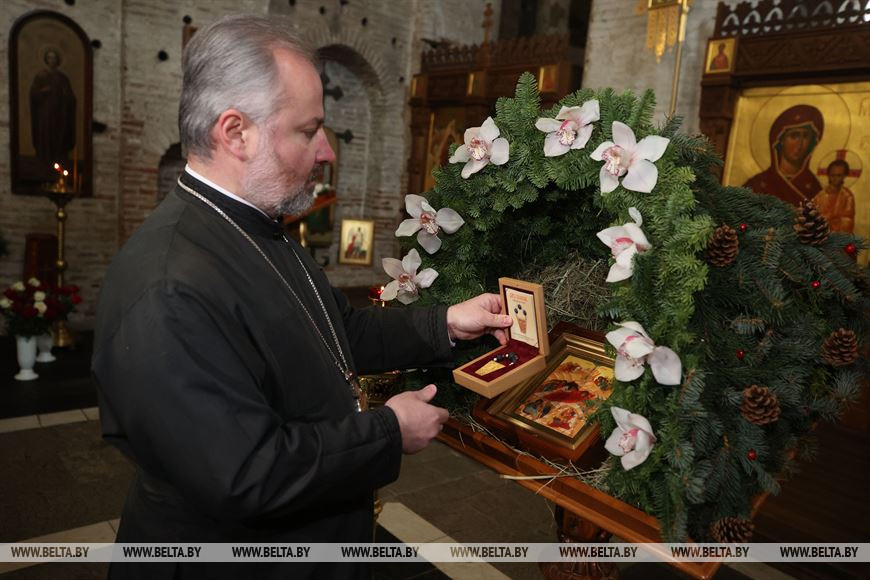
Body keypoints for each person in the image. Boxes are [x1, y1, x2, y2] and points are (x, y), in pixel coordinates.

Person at [92, 15, 512, 580]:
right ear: (235, 132)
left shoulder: (256, 226)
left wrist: (446, 325)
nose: (326, 152)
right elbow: (246, 473)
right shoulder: (170, 285)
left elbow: (336, 334)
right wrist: (389, 431)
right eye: (307, 130)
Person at [744, 104, 824, 206]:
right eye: (794, 136)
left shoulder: (815, 188)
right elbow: (740, 220)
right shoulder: (757, 185)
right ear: (780, 139)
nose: (799, 144)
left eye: (805, 136)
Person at [29, 48, 76, 171]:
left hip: (60, 113)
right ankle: (44, 161)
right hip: (45, 113)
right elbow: (33, 94)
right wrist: (42, 92)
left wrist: (67, 97)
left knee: (58, 135)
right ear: (46, 60)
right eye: (50, 58)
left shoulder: (62, 77)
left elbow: (70, 96)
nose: (52, 60)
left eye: (54, 58)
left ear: (58, 60)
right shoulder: (41, 76)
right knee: (46, 135)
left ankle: (58, 161)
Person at [813, 159, 855, 233]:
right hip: (823, 235)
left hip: (841, 236)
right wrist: (829, 217)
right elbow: (815, 217)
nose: (835, 178)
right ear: (828, 175)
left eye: (839, 175)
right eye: (832, 175)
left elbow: (848, 219)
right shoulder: (820, 196)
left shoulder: (847, 196)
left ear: (844, 176)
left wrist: (835, 222)